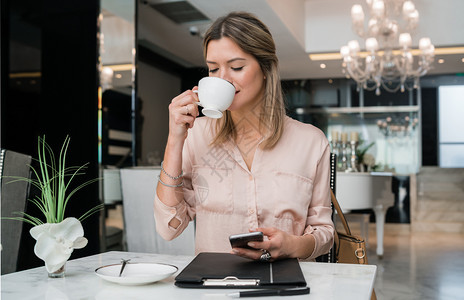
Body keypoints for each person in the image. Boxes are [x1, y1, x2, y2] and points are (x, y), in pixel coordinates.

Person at [154, 11, 334, 262]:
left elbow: (325, 233)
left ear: (265, 69)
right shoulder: (196, 135)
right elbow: (168, 227)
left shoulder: (311, 142)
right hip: (214, 286)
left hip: (286, 285)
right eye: (213, 69)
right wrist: (175, 139)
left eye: (236, 67)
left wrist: (292, 245)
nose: (223, 79)